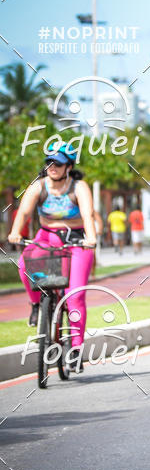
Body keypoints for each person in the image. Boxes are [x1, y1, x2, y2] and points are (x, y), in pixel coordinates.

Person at [8, 141, 96, 370]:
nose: (52, 166)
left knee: (75, 296)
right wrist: (16, 232)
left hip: (76, 241)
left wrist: (92, 238)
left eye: (58, 163)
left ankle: (75, 349)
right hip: (46, 237)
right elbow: (25, 211)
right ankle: (37, 305)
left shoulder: (79, 187)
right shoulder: (39, 187)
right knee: (23, 264)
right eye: (49, 162)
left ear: (69, 166)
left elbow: (88, 214)